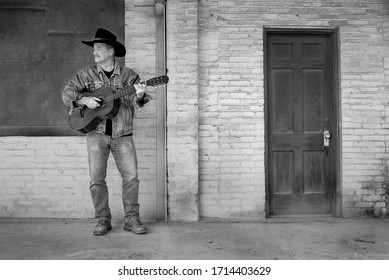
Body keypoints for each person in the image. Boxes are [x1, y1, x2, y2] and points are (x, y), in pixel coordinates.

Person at [62, 28, 151, 235]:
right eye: (94, 49)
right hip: (96, 134)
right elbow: (67, 94)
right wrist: (84, 100)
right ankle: (103, 219)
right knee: (96, 179)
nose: (95, 52)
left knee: (131, 178)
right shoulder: (86, 75)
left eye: (99, 48)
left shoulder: (129, 76)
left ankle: (131, 219)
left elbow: (137, 104)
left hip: (123, 134)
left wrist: (139, 95)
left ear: (111, 51)